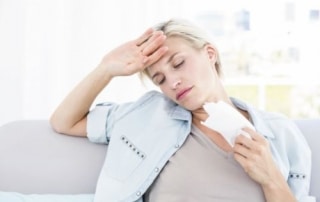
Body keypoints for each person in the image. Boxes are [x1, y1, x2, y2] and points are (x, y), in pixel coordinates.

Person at [50, 18, 315, 202]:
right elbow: (64, 122)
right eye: (160, 79)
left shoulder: (279, 133)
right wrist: (105, 69)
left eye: (178, 63)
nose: (172, 82)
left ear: (210, 53)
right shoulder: (147, 115)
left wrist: (271, 179)